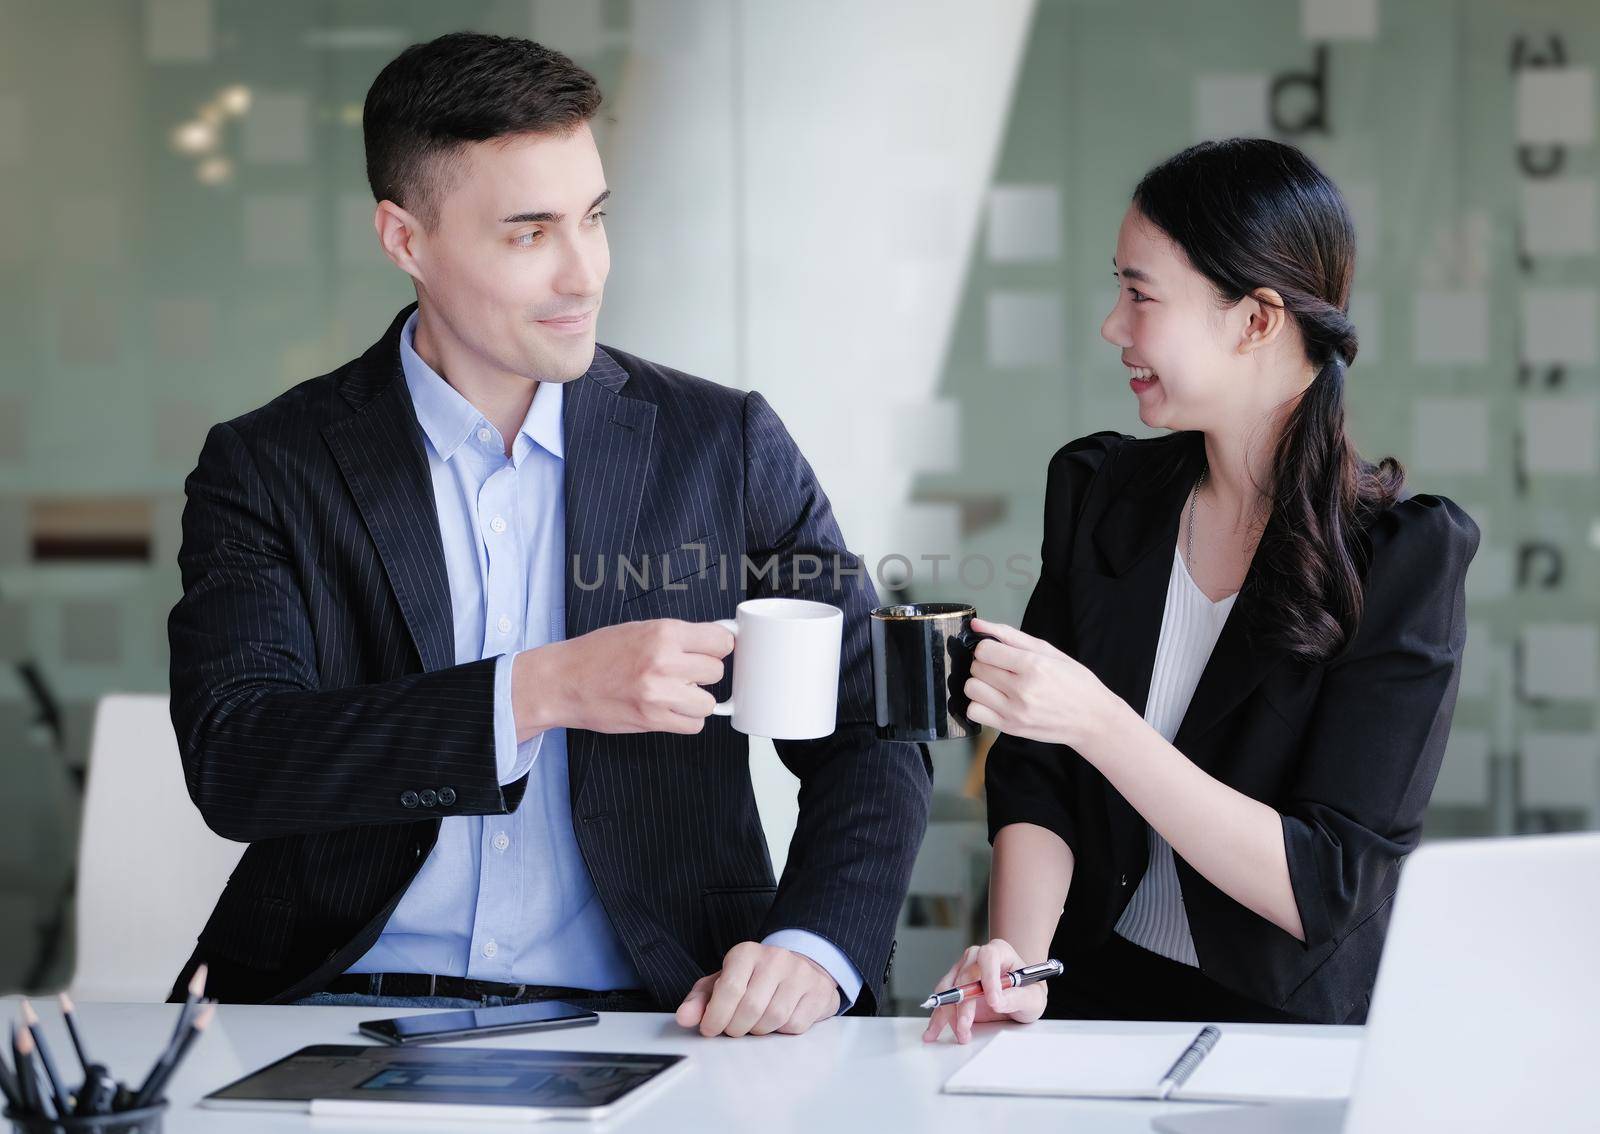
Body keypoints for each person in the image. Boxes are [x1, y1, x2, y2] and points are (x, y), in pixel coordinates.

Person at [167, 32, 930, 1038]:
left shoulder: (722, 445)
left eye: (594, 219)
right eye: (529, 233)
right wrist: (543, 690)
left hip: (660, 1011)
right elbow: (239, 758)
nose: (584, 274)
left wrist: (812, 949)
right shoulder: (271, 466)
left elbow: (873, 721)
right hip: (336, 1004)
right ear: (405, 240)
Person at [925, 138, 1478, 1041]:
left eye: (1140, 294)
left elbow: (1325, 884)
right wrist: (1016, 962)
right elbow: (1038, 769)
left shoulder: (1404, 558)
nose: (1112, 326)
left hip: (1283, 1034)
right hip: (1093, 998)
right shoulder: (1103, 493)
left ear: (1257, 319)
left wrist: (1102, 722)